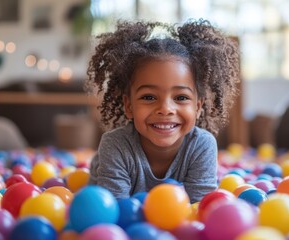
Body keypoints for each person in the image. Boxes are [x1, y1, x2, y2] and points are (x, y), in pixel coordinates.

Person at [87, 19, 240, 203]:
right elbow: (115, 210)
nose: (166, 109)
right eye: (149, 97)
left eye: (181, 98)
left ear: (198, 107)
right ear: (129, 106)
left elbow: (200, 208)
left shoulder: (201, 146)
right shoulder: (115, 146)